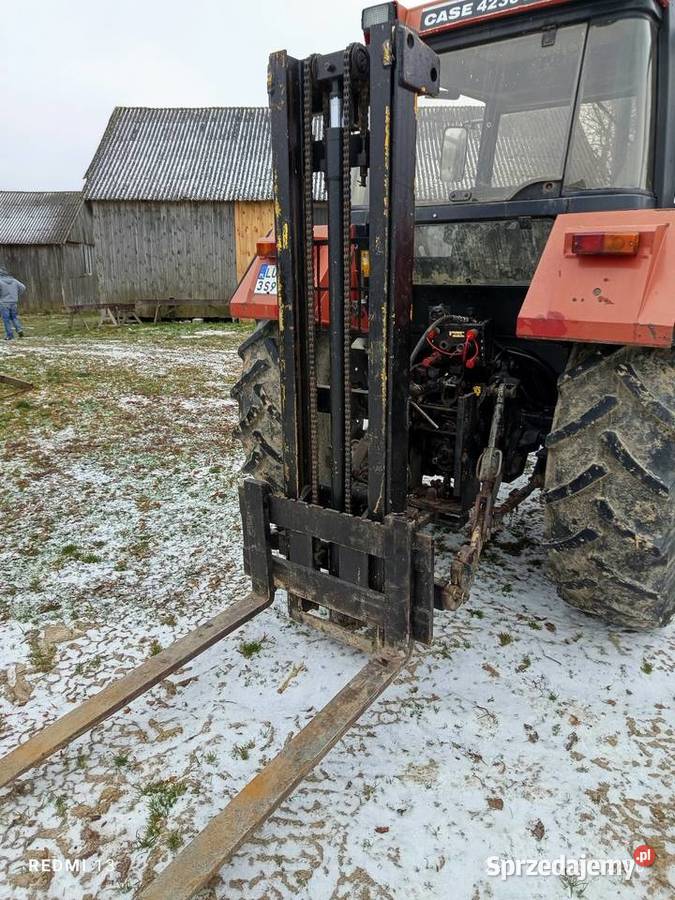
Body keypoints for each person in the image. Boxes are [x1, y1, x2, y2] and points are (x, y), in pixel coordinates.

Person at [0, 266, 26, 340]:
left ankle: (10, 335)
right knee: (14, 317)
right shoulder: (14, 280)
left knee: (6, 319)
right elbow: (23, 287)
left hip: (4, 303)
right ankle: (19, 330)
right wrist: (16, 295)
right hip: (14, 302)